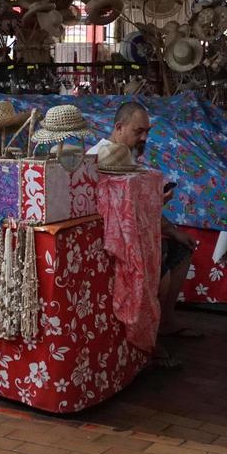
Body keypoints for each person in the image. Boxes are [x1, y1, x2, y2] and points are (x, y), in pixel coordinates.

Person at [92, 102, 198, 352]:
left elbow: (138, 210)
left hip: (140, 234)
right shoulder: (100, 157)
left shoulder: (126, 155)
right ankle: (147, 341)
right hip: (118, 242)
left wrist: (171, 228)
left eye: (147, 131)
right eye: (139, 131)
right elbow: (115, 215)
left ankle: (166, 322)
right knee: (157, 267)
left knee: (182, 250)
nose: (144, 137)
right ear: (119, 127)